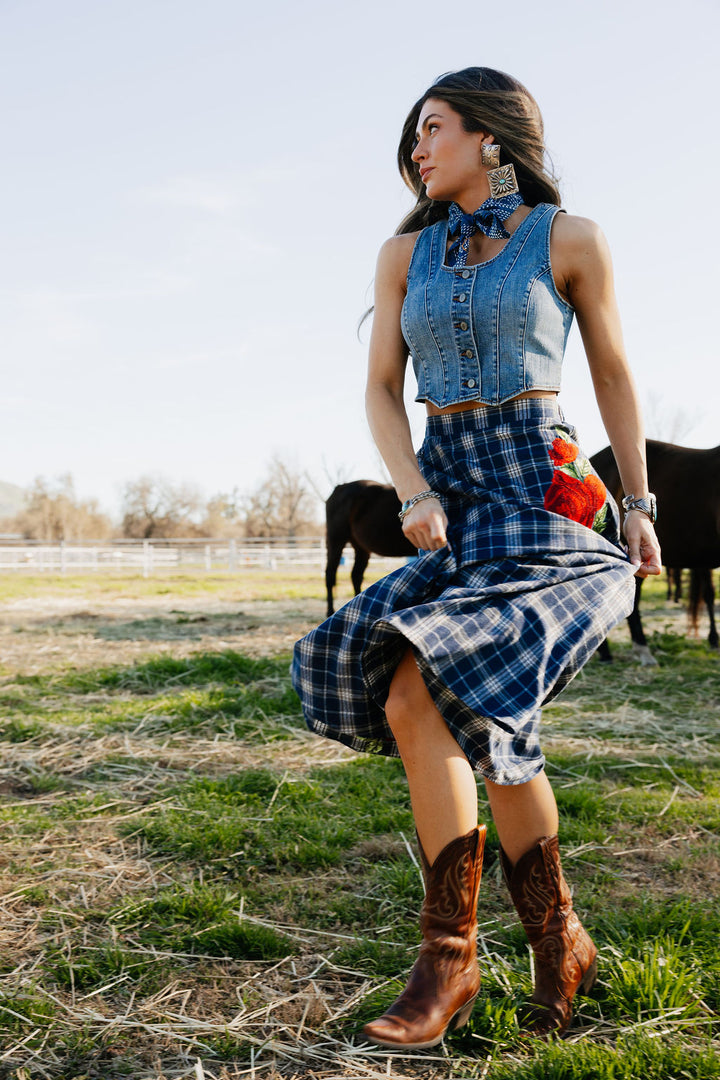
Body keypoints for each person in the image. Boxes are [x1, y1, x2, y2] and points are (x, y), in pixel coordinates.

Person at [292, 66, 662, 1050]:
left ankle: (458, 956)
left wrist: (636, 503)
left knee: (447, 696)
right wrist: (409, 488)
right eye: (414, 135)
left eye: (434, 128)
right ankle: (540, 946)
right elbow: (380, 388)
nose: (417, 149)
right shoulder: (402, 253)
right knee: (442, 703)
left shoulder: (569, 239)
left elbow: (615, 372)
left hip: (539, 495)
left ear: (492, 139)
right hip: (448, 499)